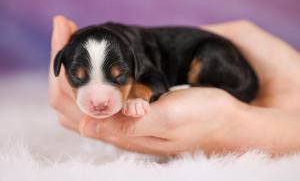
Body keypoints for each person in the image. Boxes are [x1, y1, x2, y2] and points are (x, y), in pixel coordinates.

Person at [49, 15, 300, 156]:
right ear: (60, 65)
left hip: (212, 57)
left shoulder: (137, 54)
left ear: (134, 64)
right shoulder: (125, 51)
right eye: (79, 77)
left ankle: (212, 86)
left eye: (117, 77)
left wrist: (139, 94)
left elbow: (155, 81)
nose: (99, 98)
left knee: (208, 56)